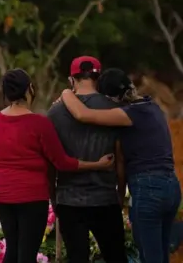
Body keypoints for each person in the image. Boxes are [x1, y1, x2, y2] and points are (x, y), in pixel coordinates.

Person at [0, 68, 114, 263]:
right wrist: (97, 164)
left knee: (12, 251)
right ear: (29, 89)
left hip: (2, 195)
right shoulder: (39, 123)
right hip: (30, 196)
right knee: (27, 254)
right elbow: (62, 163)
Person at [60, 68, 181, 263]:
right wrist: (121, 191)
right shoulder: (152, 106)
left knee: (150, 258)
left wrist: (67, 92)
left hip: (148, 189)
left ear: (110, 98)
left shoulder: (129, 114)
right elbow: (123, 159)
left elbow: (82, 115)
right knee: (161, 256)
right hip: (171, 186)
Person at [47, 57, 127, 263]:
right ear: (98, 77)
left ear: (71, 80)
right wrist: (119, 194)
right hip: (104, 198)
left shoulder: (54, 112)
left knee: (76, 258)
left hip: (69, 200)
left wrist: (54, 198)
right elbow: (120, 159)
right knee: (116, 257)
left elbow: (50, 162)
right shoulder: (114, 109)